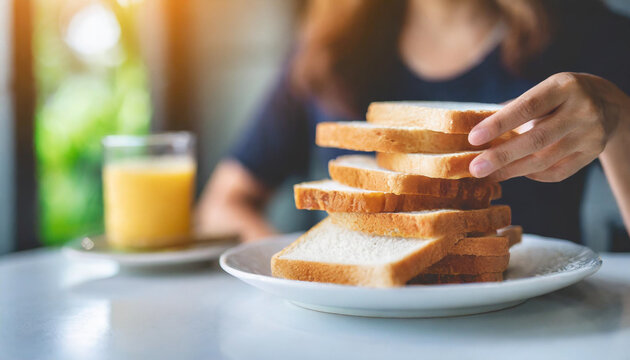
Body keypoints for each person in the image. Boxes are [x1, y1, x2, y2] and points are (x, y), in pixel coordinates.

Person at [196, 0, 630, 243]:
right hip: (348, 333)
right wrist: (303, 266)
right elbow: (221, 204)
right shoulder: (330, 48)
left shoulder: (592, 35)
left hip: (534, 329)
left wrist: (621, 121)